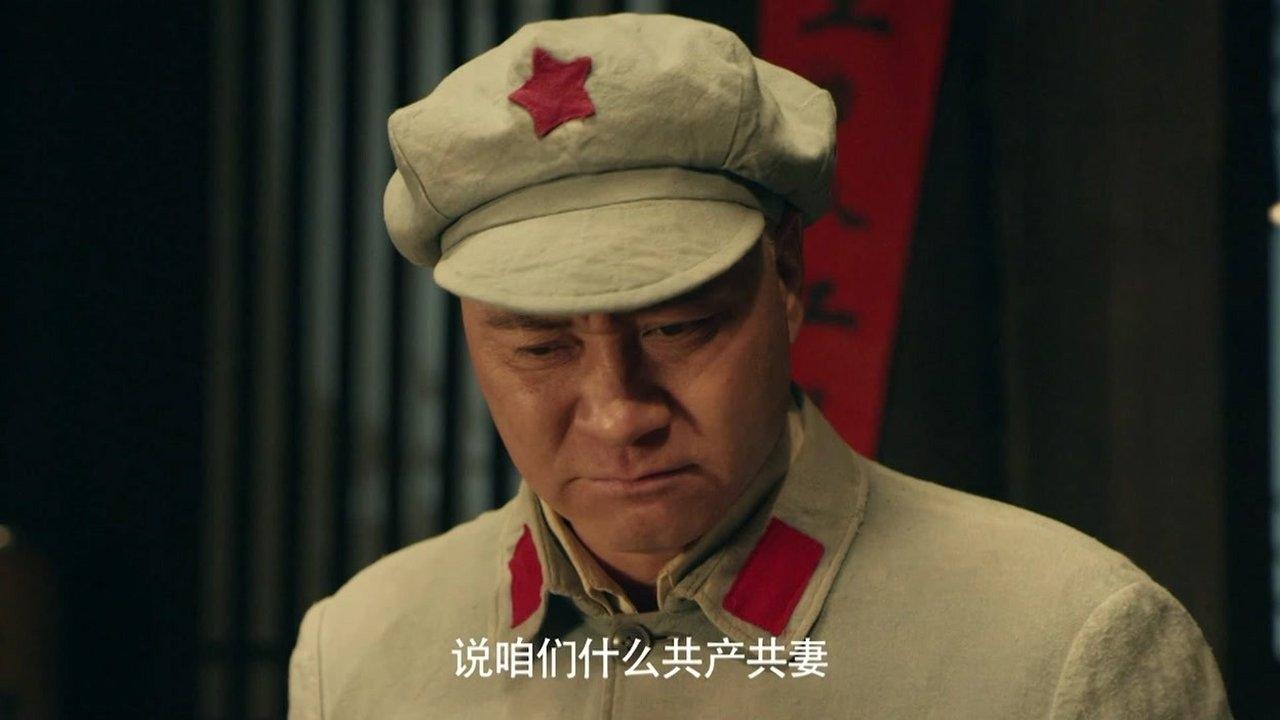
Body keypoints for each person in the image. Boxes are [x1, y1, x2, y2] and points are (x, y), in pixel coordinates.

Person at [288, 13, 1232, 719]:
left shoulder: (1058, 645)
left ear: (786, 278)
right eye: (541, 347)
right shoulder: (363, 655)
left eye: (677, 328)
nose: (619, 412)